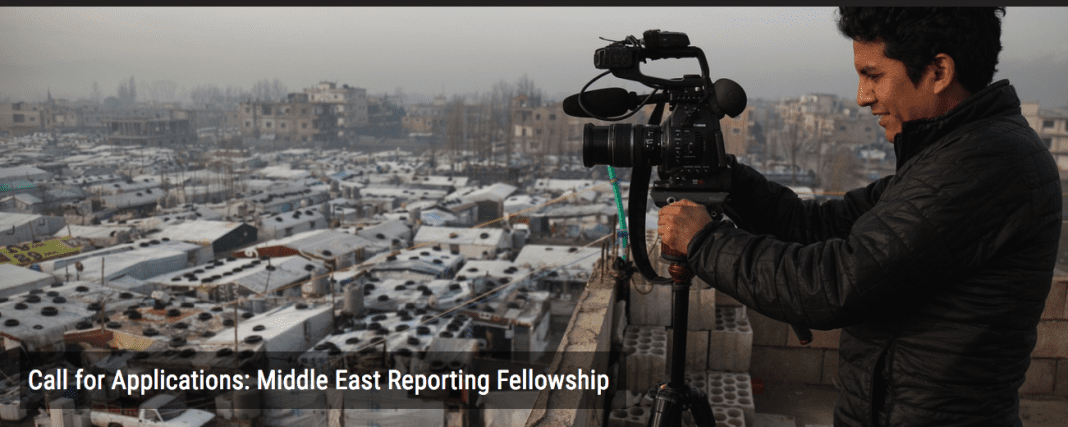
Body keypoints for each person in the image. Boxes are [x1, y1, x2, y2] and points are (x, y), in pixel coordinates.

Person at [656, 7, 1061, 427]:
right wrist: (728, 177)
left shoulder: (981, 165)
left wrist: (703, 242)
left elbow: (832, 284)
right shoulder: (955, 154)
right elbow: (817, 227)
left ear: (939, 71)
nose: (862, 97)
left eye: (873, 75)